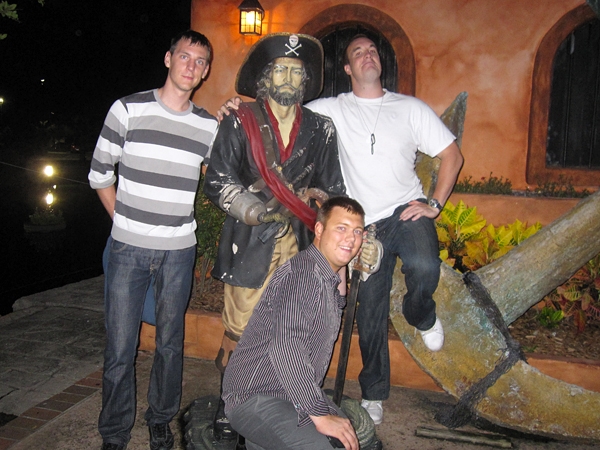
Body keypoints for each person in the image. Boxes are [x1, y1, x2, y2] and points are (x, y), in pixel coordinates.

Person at [305, 34, 464, 424]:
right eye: (357, 52)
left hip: (405, 211)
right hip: (365, 227)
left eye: (372, 50)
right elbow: (282, 114)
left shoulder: (410, 108)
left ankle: (420, 313)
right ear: (347, 68)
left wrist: (434, 204)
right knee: (370, 313)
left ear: (380, 62)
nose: (367, 55)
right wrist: (237, 108)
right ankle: (373, 393)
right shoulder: (331, 108)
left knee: (425, 266)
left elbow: (452, 156)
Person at [203, 33, 354, 441]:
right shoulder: (240, 120)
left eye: (296, 71)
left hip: (302, 245)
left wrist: (335, 218)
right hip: (250, 243)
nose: (288, 77)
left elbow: (333, 189)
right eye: (280, 69)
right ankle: (228, 400)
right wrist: (251, 209)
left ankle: (286, 399)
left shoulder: (321, 128)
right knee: (241, 330)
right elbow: (217, 179)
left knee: (295, 330)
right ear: (265, 77)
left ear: (306, 80)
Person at [88, 30, 218, 450]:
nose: (191, 66)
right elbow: (99, 175)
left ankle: (161, 419)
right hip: (127, 249)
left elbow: (225, 174)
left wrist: (236, 118)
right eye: (185, 56)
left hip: (179, 251)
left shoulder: (208, 126)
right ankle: (114, 433)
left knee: (169, 345)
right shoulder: (128, 109)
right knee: (120, 348)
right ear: (168, 58)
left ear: (206, 72)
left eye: (200, 61)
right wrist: (124, 221)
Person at [222, 196, 364, 450]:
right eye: (341, 228)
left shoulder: (323, 273)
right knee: (333, 445)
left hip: (286, 391)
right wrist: (319, 413)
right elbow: (286, 347)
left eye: (357, 232)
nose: (351, 238)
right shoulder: (303, 276)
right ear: (319, 229)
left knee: (345, 436)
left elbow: (338, 300)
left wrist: (344, 257)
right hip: (256, 396)